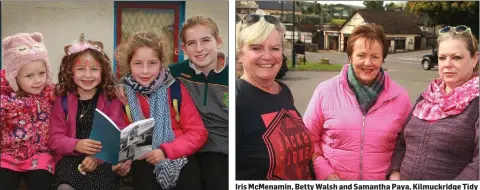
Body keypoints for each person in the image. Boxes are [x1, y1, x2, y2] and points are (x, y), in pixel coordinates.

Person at [303, 24, 412, 180]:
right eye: (361, 55)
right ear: (350, 57)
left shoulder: (400, 96)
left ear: (382, 59)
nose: (368, 63)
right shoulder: (325, 91)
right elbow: (307, 139)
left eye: (375, 56)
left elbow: (407, 144)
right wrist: (325, 172)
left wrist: (395, 171)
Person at [115, 31, 207, 190]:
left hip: (178, 154)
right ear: (128, 65)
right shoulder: (122, 96)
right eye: (138, 63)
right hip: (143, 158)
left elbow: (198, 132)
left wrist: (166, 151)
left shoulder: (175, 89)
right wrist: (122, 161)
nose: (145, 71)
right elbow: (119, 135)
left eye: (152, 63)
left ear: (161, 63)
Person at [389, 25, 479, 180]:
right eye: (442, 57)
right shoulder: (428, 96)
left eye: (456, 57)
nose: (447, 64)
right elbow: (402, 143)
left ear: (475, 59)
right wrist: (395, 172)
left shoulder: (476, 102)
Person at [235, 11, 315, 180]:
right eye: (256, 48)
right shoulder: (236, 101)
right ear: (240, 54)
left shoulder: (283, 90)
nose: (267, 56)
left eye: (274, 48)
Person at [48, 34, 130, 190]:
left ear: (103, 72)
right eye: (80, 69)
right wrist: (77, 144)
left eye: (94, 69)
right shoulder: (62, 100)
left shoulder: (111, 100)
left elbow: (116, 135)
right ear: (70, 72)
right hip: (69, 160)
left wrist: (96, 158)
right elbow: (54, 139)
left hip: (102, 160)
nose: (87, 75)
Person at [168, 16, 228, 190]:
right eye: (192, 43)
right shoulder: (176, 72)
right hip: (187, 143)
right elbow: (145, 76)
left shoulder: (234, 75)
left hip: (222, 148)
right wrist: (122, 87)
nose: (199, 49)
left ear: (219, 41)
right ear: (184, 48)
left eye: (206, 40)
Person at [0, 32, 56, 190]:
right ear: (14, 77)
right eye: (29, 76)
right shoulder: (4, 99)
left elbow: (75, 92)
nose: (38, 80)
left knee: (41, 183)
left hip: (41, 156)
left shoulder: (51, 93)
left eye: (42, 73)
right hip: (8, 156)